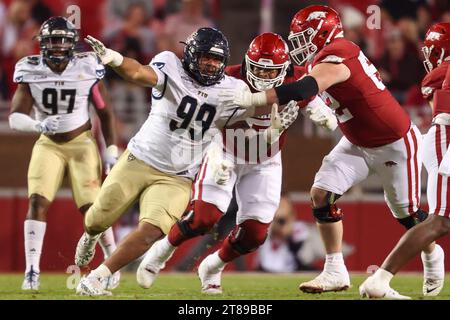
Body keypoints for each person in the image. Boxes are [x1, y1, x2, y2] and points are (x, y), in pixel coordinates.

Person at [218, 5, 444, 297]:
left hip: (394, 142)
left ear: (323, 33)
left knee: (408, 215)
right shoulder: (323, 57)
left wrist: (253, 98)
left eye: (303, 36)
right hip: (356, 141)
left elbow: (303, 90)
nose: (297, 42)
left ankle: (432, 255)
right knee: (321, 194)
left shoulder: (338, 52)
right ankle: (335, 270)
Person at [134, 32, 336, 294]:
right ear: (246, 64)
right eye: (259, 70)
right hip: (225, 152)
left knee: (255, 234)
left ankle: (213, 266)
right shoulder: (226, 78)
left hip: (265, 162)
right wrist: (217, 154)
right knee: (204, 219)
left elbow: (317, 105)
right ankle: (161, 252)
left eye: (270, 71)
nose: (264, 77)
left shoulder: (293, 82)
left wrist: (317, 108)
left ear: (283, 69)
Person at [74, 27, 266, 296]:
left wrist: (277, 124)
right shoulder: (171, 66)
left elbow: (248, 119)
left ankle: (98, 276)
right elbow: (139, 72)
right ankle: (91, 236)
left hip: (178, 175)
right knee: (96, 220)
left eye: (217, 60)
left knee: (152, 231)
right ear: (190, 55)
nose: (211, 64)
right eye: (205, 57)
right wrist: (114, 58)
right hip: (139, 159)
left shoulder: (232, 90)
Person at [9, 17, 119, 290]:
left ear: (72, 44)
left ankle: (112, 262)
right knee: (37, 201)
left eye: (62, 41)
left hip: (82, 143)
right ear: (43, 44)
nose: (57, 47)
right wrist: (38, 124)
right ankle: (31, 271)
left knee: (93, 210)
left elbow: (105, 114)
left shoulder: (87, 67)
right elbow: (14, 117)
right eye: (52, 41)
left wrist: (112, 150)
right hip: (48, 143)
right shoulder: (30, 70)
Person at [359, 22, 450, 299]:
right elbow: (445, 112)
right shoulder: (442, 74)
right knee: (441, 222)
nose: (430, 56)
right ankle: (380, 279)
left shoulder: (439, 73)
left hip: (440, 135)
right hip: (446, 136)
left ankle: (421, 268)